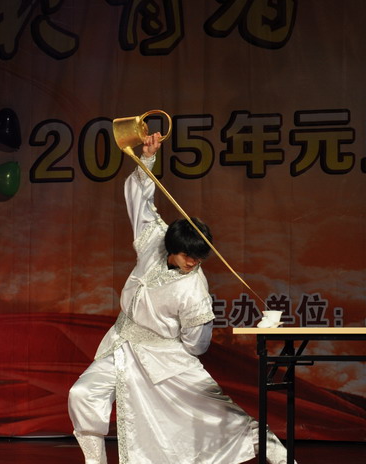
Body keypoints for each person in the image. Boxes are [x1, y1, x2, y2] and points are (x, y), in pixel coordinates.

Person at [68, 133, 294, 464]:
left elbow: (196, 343)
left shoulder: (194, 290)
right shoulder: (154, 240)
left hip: (165, 357)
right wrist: (147, 158)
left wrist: (168, 349)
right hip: (122, 344)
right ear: (173, 248)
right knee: (83, 394)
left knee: (217, 412)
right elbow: (139, 201)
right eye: (188, 256)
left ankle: (273, 450)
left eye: (199, 258)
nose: (193, 263)